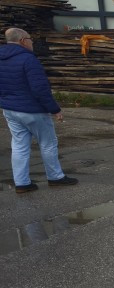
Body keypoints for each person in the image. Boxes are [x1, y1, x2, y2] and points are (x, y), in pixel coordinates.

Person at [0, 27, 77, 194]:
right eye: (30, 38)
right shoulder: (28, 59)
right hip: (32, 110)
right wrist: (54, 109)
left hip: (10, 109)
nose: (32, 41)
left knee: (19, 146)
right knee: (48, 143)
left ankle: (22, 183)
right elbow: (39, 89)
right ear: (22, 41)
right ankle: (55, 177)